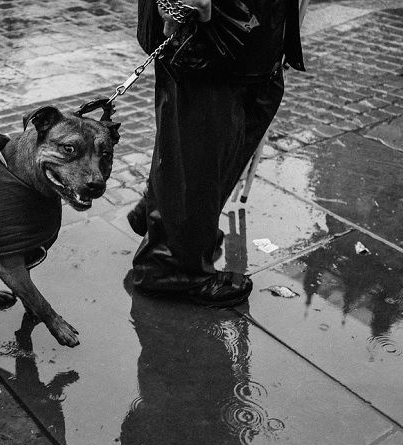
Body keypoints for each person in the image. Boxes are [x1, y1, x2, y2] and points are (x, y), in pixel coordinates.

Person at [129, 0, 304, 307]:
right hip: (211, 33)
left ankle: (167, 212)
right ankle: (171, 269)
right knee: (205, 130)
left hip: (251, 31)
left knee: (229, 131)